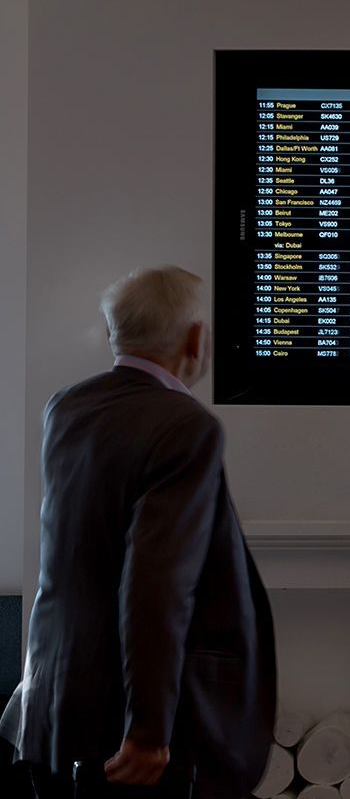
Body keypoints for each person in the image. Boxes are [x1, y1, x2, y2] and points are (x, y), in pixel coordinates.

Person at [1, 266, 277, 799]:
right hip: (133, 728)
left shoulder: (66, 408)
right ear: (196, 339)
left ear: (111, 333)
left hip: (58, 704)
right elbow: (156, 584)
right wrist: (149, 731)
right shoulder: (185, 426)